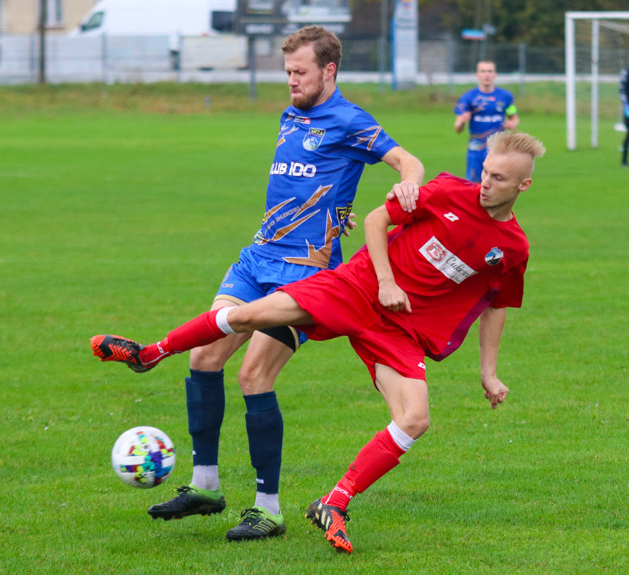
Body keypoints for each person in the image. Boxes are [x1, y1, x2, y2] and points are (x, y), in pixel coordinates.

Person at [92, 131, 546, 554]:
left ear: (523, 186)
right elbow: (375, 219)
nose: (485, 183)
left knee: (415, 418)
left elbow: (496, 303)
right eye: (484, 171)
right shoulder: (449, 191)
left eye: (498, 178)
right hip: (358, 286)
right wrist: (386, 280)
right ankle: (151, 353)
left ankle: (334, 502)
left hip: (399, 328)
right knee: (252, 313)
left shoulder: (513, 247)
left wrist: (488, 372)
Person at [98, 25, 424, 543]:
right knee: (204, 358)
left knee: (253, 375)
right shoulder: (290, 115)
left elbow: (406, 159)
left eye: (300, 72)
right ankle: (205, 486)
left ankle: (267, 509)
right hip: (257, 259)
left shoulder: (349, 120)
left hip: (306, 275)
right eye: (287, 72)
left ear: (329, 70)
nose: (291, 81)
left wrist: (408, 180)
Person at [454, 60, 519, 183]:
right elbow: (457, 128)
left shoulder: (506, 96)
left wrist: (513, 123)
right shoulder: (468, 97)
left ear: (495, 75)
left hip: (497, 149)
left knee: (498, 183)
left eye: (490, 71)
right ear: (477, 75)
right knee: (475, 185)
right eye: (483, 71)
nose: (486, 75)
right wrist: (462, 121)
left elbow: (514, 117)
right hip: (476, 149)